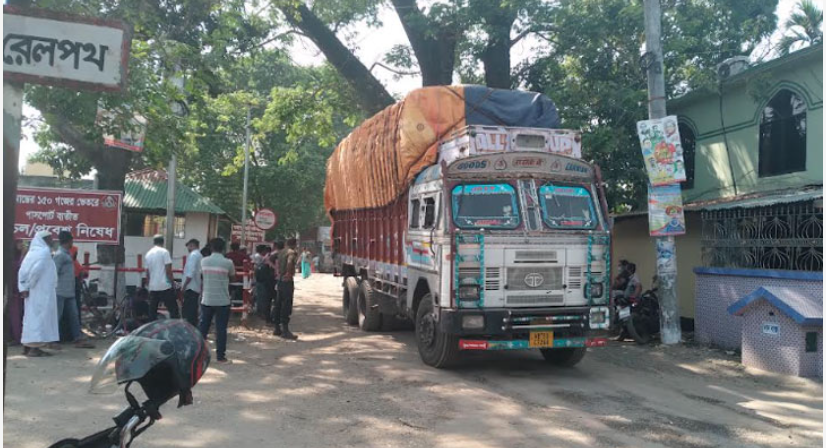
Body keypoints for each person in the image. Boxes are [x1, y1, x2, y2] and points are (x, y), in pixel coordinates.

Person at [17, 231, 60, 357]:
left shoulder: (31, 253)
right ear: (44, 240)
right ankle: (34, 348)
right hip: (41, 291)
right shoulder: (44, 252)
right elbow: (36, 271)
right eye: (49, 238)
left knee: (30, 318)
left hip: (33, 292)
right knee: (39, 319)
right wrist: (30, 285)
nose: (52, 240)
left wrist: (23, 287)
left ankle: (27, 345)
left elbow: (22, 271)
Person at [53, 231, 94, 349]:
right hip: (60, 291)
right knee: (57, 317)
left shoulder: (67, 255)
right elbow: (54, 272)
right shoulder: (60, 255)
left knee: (74, 316)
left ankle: (78, 339)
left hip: (69, 292)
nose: (73, 242)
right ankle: (52, 340)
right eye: (71, 240)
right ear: (68, 241)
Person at [199, 237, 235, 364]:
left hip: (207, 299)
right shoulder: (228, 263)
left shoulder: (204, 261)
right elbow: (233, 279)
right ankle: (221, 357)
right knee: (221, 329)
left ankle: (198, 356)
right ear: (223, 248)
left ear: (211, 248)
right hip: (223, 301)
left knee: (203, 328)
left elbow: (202, 276)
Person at [145, 234, 180, 321]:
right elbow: (168, 270)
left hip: (153, 286)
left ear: (154, 242)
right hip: (165, 286)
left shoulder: (148, 254)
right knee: (174, 311)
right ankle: (176, 329)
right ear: (163, 242)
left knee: (152, 312)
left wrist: (149, 285)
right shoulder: (164, 252)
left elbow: (147, 272)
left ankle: (151, 331)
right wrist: (172, 283)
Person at [274, 238, 299, 340]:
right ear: (295, 244)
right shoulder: (291, 252)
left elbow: (272, 259)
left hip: (280, 279)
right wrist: (288, 273)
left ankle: (277, 328)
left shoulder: (281, 252)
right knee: (286, 304)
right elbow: (289, 262)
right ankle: (285, 330)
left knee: (278, 304)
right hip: (286, 281)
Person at [7, 239, 27, 345]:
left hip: (20, 289)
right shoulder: (12, 258)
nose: (21, 245)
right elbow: (18, 268)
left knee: (19, 315)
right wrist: (23, 255)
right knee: (15, 315)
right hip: (13, 290)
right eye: (18, 243)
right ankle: (17, 338)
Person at [181, 239, 203, 327]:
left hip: (190, 287)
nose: (188, 248)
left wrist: (184, 286)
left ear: (193, 245)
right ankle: (193, 328)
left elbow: (190, 273)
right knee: (193, 311)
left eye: (189, 246)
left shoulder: (193, 255)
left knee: (188, 312)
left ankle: (189, 329)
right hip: (196, 286)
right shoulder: (199, 255)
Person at [254, 245, 275, 323]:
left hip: (260, 279)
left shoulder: (261, 257)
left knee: (261, 296)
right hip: (262, 279)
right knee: (262, 297)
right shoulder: (261, 257)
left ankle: (262, 312)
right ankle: (261, 312)